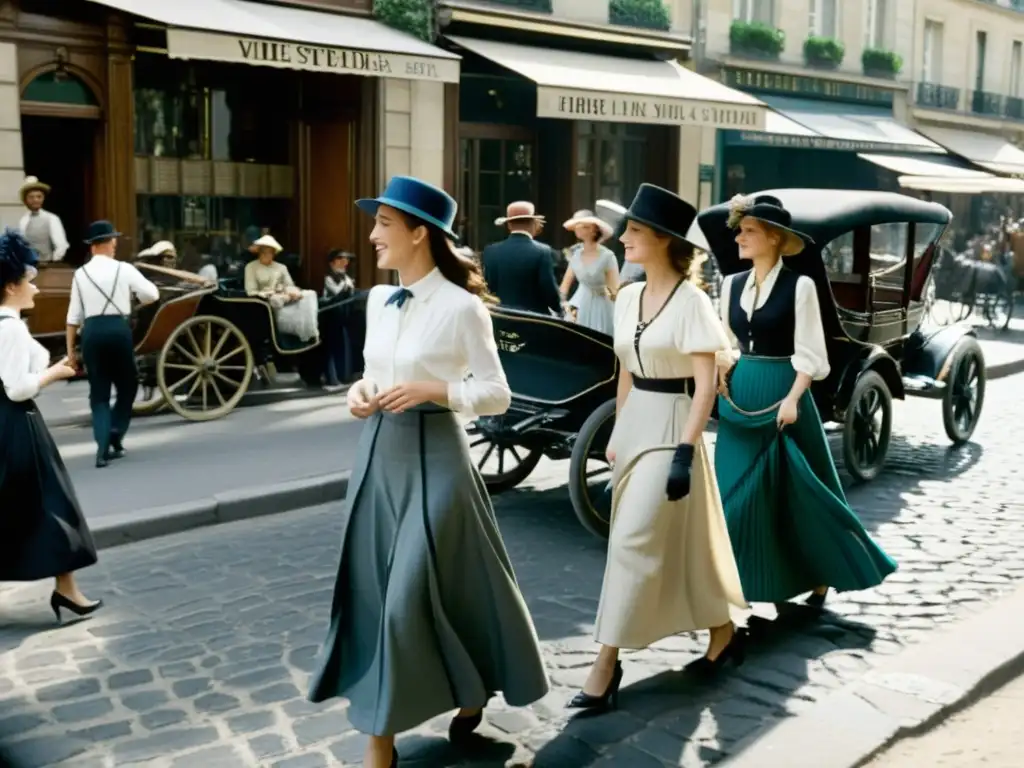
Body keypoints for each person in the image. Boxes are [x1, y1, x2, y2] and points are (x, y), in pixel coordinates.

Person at [308, 176, 549, 768]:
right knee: (379, 594)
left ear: (419, 233)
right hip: (378, 456)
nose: (371, 237)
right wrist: (359, 395)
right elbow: (369, 372)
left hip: (440, 458)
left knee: (410, 597)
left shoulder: (464, 307)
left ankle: (381, 742)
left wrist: (432, 389)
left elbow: (496, 394)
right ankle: (442, 705)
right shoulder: (376, 300)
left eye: (383, 225)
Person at [569, 184, 748, 713]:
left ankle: (606, 662)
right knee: (680, 545)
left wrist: (684, 452)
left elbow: (706, 385)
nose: (623, 239)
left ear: (666, 242)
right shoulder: (625, 295)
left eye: (636, 232)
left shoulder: (693, 302)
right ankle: (722, 630)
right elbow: (624, 371)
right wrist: (617, 434)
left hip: (675, 427)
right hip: (637, 424)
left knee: (630, 541)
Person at [713, 194, 897, 608]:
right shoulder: (730, 285)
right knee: (731, 493)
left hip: (783, 391)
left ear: (774, 238)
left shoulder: (801, 286)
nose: (739, 237)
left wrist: (794, 399)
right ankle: (732, 580)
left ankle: (814, 571)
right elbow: (726, 339)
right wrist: (723, 370)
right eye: (740, 230)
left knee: (794, 493)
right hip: (741, 395)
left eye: (749, 231)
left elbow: (811, 350)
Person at [0, 228, 102, 621]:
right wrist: (55, 374)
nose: (37, 290)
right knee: (51, 506)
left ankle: (67, 588)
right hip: (16, 426)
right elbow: (17, 388)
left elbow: (30, 362)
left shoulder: (10, 326)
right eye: (29, 282)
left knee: (41, 508)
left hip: (15, 425)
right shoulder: (8, 328)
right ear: (11, 286)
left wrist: (45, 363)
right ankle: (67, 589)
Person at [66, 221, 160, 468]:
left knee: (98, 394)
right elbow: (153, 294)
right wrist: (134, 299)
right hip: (118, 330)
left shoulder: (80, 273)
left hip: (92, 333)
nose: (116, 246)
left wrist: (70, 352)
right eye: (114, 242)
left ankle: (101, 450)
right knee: (128, 385)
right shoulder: (124, 269)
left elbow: (73, 317)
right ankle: (116, 434)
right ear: (106, 243)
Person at [480, 201, 563, 316]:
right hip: (533, 320)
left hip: (502, 317)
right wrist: (560, 310)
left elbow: (488, 286)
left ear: (508, 225)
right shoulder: (542, 251)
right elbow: (548, 289)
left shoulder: (490, 251)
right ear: (533, 223)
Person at [244, 234, 319, 342]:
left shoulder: (281, 267)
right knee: (276, 300)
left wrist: (287, 291)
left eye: (270, 251)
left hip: (286, 298)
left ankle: (309, 331)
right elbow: (251, 291)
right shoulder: (251, 267)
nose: (266, 254)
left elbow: (290, 285)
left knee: (310, 294)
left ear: (274, 253)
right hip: (266, 304)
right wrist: (270, 293)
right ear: (259, 252)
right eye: (264, 251)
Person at [559, 209, 619, 334]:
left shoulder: (607, 256)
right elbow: (565, 285)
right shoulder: (575, 255)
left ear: (593, 229)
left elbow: (614, 289)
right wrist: (561, 303)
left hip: (602, 305)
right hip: (580, 303)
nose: (577, 228)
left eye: (582, 226)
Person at [17, 176, 69, 263]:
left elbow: (62, 245)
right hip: (27, 266)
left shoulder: (51, 218)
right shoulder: (23, 220)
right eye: (31, 197)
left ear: (43, 198)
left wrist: (53, 261)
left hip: (46, 265)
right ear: (26, 200)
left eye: (39, 197)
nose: (35, 200)